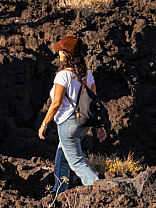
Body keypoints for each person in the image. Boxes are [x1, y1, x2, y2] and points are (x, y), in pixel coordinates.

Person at [38, 34, 106, 196]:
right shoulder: (87, 74)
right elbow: (95, 102)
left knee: (77, 163)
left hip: (68, 125)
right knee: (62, 158)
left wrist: (44, 124)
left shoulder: (63, 75)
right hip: (83, 125)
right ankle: (59, 191)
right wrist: (100, 126)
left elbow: (56, 104)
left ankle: (102, 190)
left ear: (67, 54)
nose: (58, 53)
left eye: (61, 50)